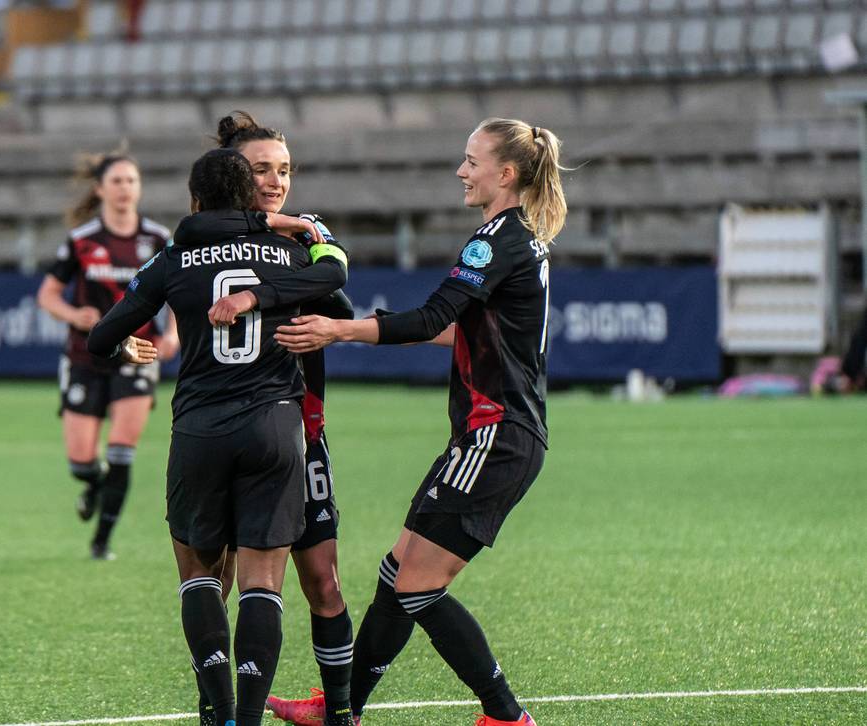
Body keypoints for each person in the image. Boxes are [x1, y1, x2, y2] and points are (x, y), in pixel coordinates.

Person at [268, 117, 567, 726]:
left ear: (504, 174)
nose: (462, 171)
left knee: (417, 587)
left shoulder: (494, 240)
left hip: (496, 434)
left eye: (472, 161)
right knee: (396, 571)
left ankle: (506, 716)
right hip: (491, 434)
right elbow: (464, 331)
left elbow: (434, 318)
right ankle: (342, 708)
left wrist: (339, 329)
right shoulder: (521, 236)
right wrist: (382, 331)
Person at [86, 148, 348, 726]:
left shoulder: (173, 258)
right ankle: (250, 718)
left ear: (195, 200)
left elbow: (101, 337)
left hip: (201, 428)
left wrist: (129, 346)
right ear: (249, 196)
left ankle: (220, 711)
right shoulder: (287, 251)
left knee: (201, 574)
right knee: (262, 581)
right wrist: (304, 234)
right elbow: (337, 282)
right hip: (277, 427)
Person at [172, 112, 357, 726]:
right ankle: (219, 708)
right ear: (231, 176)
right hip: (225, 428)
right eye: (261, 170)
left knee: (322, 580)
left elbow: (340, 300)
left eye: (284, 169)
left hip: (298, 430)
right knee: (215, 576)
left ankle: (339, 713)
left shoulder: (305, 238)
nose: (276, 181)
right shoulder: (197, 245)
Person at [36, 151, 178, 560]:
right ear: (100, 189)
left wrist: (173, 336)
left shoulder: (158, 240)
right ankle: (93, 486)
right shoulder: (82, 241)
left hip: (137, 354)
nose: (124, 189)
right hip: (85, 357)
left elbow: (182, 295)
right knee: (82, 462)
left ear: (139, 188)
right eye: (116, 181)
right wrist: (73, 313)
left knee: (120, 449)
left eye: (131, 181)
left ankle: (102, 542)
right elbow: (46, 295)